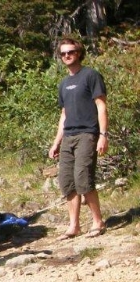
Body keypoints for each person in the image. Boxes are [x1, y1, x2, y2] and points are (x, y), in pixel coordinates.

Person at [48, 37, 108, 240]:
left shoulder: (91, 75)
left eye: (70, 52)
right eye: (63, 53)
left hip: (87, 133)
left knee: (83, 178)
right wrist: (56, 142)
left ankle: (97, 222)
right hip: (69, 136)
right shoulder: (63, 84)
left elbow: (101, 105)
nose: (67, 56)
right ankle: (74, 226)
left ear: (78, 53)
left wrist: (103, 135)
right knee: (67, 181)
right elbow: (63, 114)